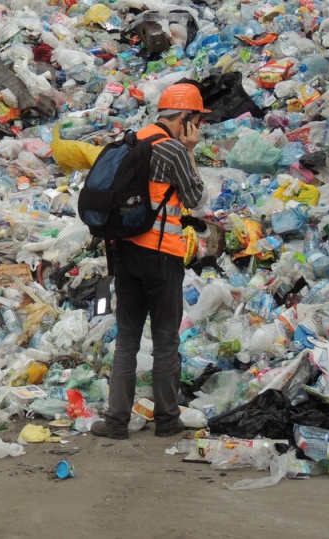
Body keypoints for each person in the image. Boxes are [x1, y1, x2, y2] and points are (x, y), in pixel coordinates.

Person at [91, 83, 208, 439]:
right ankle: (168, 421)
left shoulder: (133, 140)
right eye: (198, 120)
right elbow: (197, 200)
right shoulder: (173, 150)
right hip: (161, 256)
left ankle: (115, 422)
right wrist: (190, 152)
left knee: (127, 339)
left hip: (124, 253)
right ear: (185, 118)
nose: (200, 128)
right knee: (165, 341)